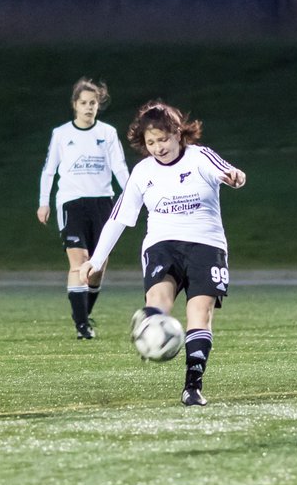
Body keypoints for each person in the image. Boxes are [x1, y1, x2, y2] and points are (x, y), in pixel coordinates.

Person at [79, 100, 246, 406]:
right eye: (150, 142)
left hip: (206, 244)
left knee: (200, 313)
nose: (158, 147)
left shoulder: (200, 157)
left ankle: (192, 387)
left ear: (178, 134)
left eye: (163, 139)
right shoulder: (142, 172)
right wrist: (96, 258)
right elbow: (119, 218)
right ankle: (151, 329)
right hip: (162, 244)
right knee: (157, 302)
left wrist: (235, 177)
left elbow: (230, 172)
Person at [37, 78, 130, 340]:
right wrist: (44, 202)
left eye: (93, 103)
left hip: (103, 202)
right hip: (72, 202)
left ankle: (82, 314)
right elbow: (49, 170)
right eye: (84, 103)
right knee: (79, 262)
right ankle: (81, 326)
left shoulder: (107, 133)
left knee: (98, 266)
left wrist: (134, 194)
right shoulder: (61, 134)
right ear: (74, 105)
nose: (89, 107)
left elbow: (119, 167)